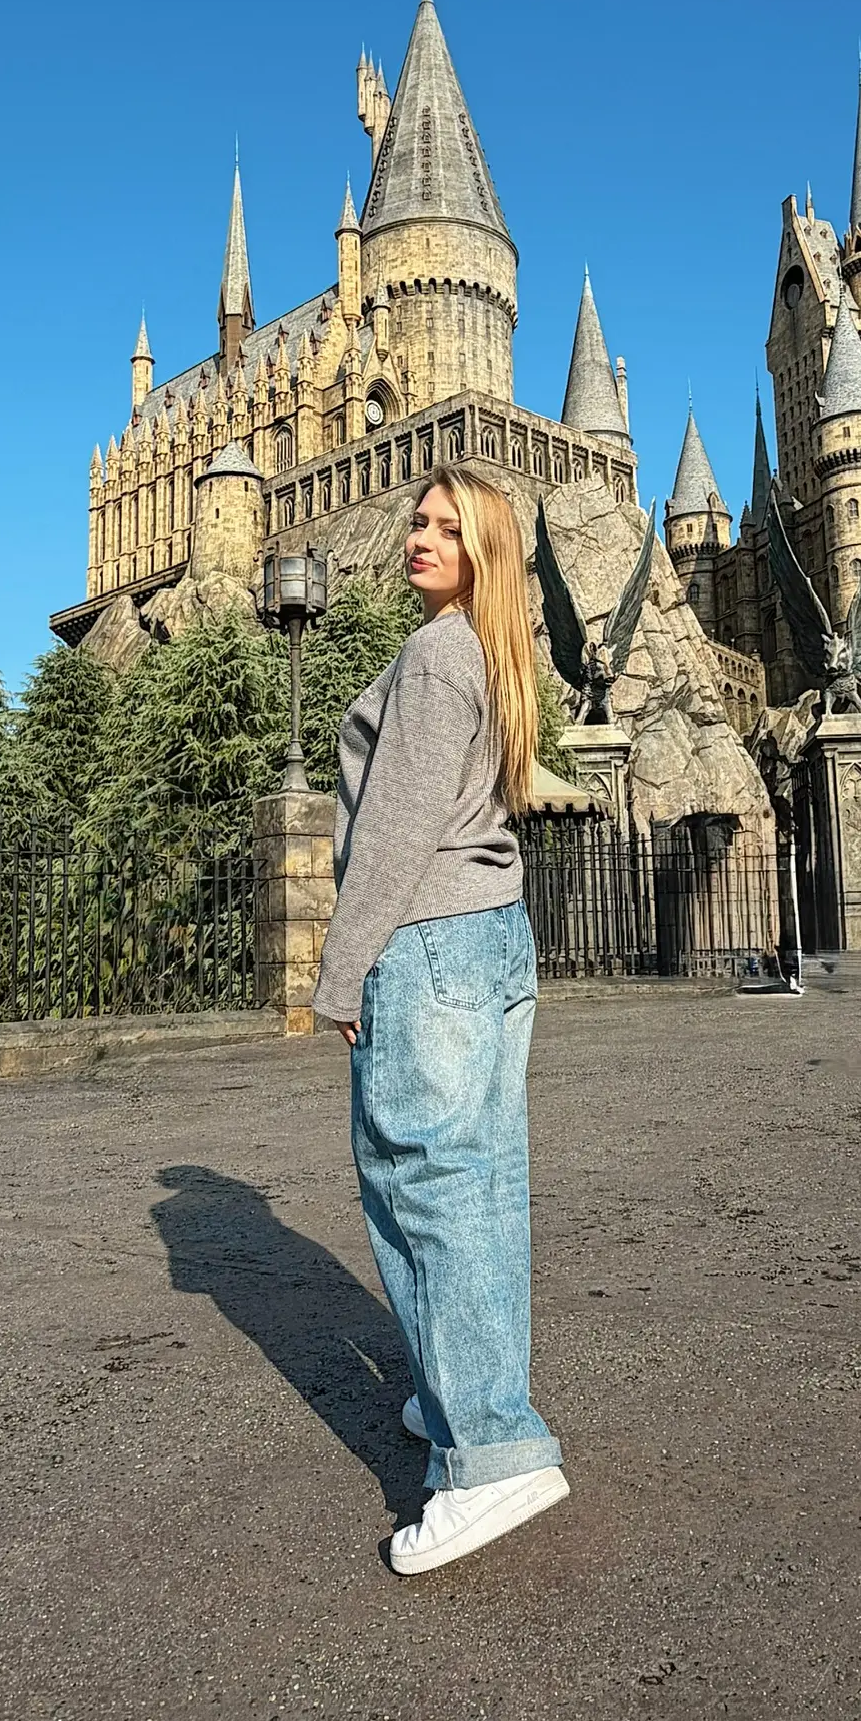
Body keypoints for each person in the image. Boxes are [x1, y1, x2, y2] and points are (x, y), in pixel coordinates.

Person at [311, 462, 568, 1574]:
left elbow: (395, 830)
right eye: (417, 521)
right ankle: (463, 1390)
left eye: (448, 528)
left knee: (424, 1183)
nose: (421, 537)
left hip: (426, 941)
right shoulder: (495, 654)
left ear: (483, 553)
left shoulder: (434, 654)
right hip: (492, 937)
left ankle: (491, 1453)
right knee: (482, 1184)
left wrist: (340, 970)